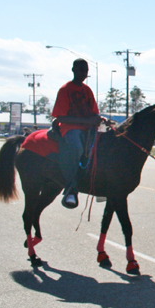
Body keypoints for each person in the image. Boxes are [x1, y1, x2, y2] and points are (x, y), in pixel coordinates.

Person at [52, 59, 102, 209]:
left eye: (86, 71)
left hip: (88, 128)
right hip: (70, 128)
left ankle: (100, 186)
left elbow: (94, 112)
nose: (84, 73)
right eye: (81, 70)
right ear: (73, 70)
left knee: (103, 147)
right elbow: (60, 117)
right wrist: (86, 121)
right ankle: (71, 190)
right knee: (78, 148)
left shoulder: (87, 91)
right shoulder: (65, 89)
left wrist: (98, 119)